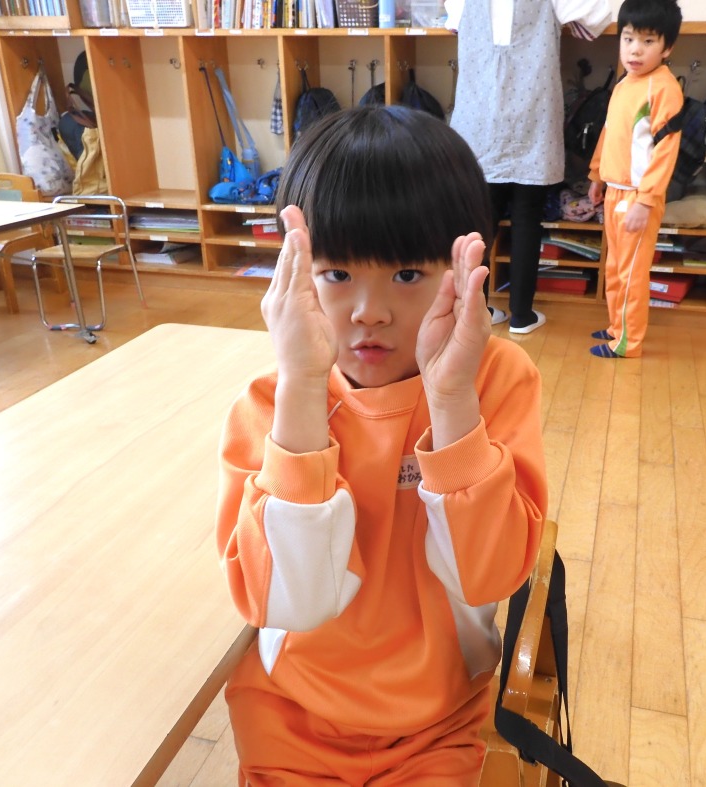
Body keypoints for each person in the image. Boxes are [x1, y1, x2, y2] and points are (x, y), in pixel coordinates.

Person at [216, 105, 548, 785]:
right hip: (289, 715)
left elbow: (490, 576)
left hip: (438, 720)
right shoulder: (272, 402)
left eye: (406, 275)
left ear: (463, 267)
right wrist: (303, 388)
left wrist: (450, 401)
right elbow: (286, 601)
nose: (369, 311)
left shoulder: (493, 380)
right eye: (337, 275)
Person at [447, 0, 612, 335]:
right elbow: (599, 16)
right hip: (532, 121)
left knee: (480, 220)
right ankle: (521, 315)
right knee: (527, 218)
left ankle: (476, 311)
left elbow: (453, 24)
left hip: (479, 126)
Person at [587, 0, 683, 358]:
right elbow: (610, 132)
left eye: (647, 41)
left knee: (631, 273)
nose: (635, 50)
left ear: (667, 47)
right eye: (628, 39)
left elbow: (666, 150)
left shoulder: (663, 88)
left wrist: (645, 200)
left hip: (638, 198)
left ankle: (627, 343)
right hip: (615, 192)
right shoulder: (625, 83)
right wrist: (597, 175)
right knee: (615, 267)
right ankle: (617, 327)